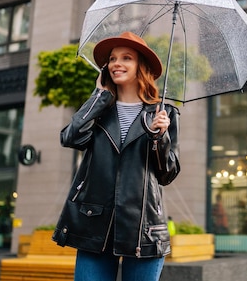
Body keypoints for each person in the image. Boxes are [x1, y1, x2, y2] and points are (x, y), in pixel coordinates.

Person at [52, 31, 181, 281]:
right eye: (112, 59)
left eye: (126, 58)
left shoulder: (164, 113)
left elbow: (167, 174)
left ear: (140, 66)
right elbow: (70, 137)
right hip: (94, 224)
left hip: (143, 228)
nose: (116, 64)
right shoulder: (99, 109)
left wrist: (159, 137)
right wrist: (98, 97)